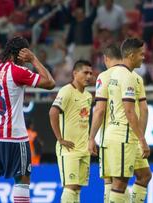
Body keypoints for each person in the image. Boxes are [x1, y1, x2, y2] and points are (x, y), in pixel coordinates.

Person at [0, 36, 55, 202]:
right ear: (21, 54)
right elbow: (50, 82)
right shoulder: (16, 71)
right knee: (22, 180)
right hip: (14, 136)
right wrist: (34, 59)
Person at [88, 44, 152, 202]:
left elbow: (99, 110)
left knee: (114, 180)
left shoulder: (104, 76)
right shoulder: (135, 77)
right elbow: (143, 109)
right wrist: (141, 136)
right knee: (128, 179)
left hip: (115, 135)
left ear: (105, 59)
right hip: (122, 135)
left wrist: (92, 137)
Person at [49, 60, 93, 203]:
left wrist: (90, 141)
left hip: (83, 148)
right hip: (68, 149)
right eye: (85, 72)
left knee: (77, 188)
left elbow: (84, 121)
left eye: (91, 73)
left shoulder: (88, 96)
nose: (89, 76)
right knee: (70, 186)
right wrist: (60, 139)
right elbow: (53, 112)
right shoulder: (66, 91)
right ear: (75, 73)